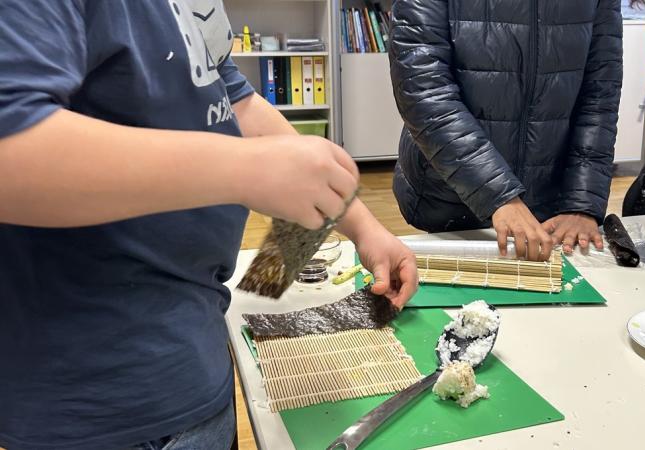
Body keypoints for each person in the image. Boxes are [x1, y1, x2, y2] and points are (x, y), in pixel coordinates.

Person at [0, 1, 417, 449]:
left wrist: (363, 228)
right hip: (103, 402)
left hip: (193, 356)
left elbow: (236, 105)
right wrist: (244, 170)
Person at [389, 0, 623, 261]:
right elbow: (424, 93)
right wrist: (499, 196)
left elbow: (600, 95)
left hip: (552, 210)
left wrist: (582, 203)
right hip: (449, 198)